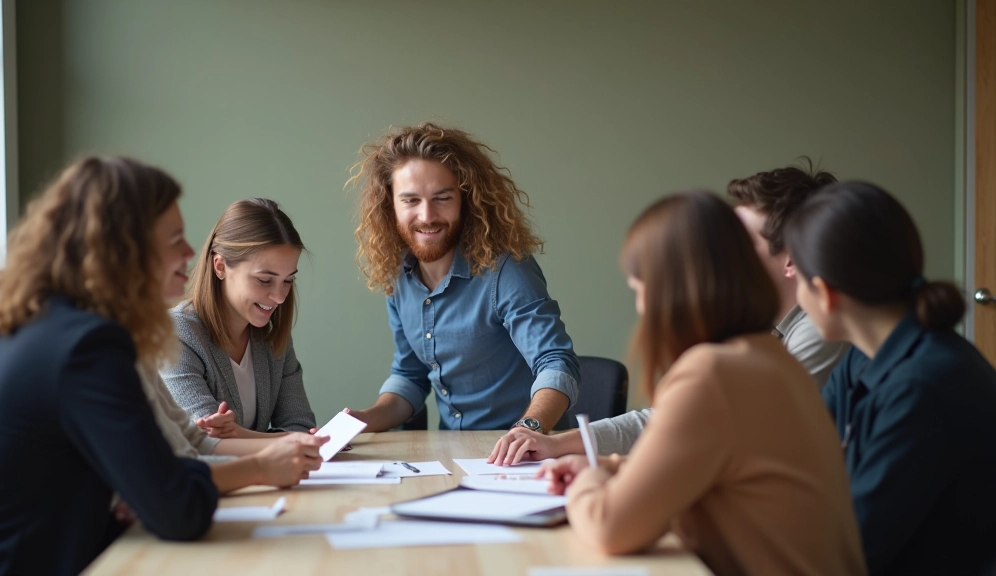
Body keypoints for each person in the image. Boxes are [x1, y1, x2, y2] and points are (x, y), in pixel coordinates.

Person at [538, 190, 866, 575]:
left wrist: (588, 482)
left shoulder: (714, 372)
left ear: (669, 291)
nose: (641, 308)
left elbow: (610, 527)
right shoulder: (769, 358)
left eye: (639, 290)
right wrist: (609, 469)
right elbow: (711, 465)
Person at [0, 158, 271, 574]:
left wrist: (150, 490)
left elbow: (156, 486)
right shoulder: (88, 347)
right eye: (175, 240)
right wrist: (172, 487)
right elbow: (179, 510)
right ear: (124, 249)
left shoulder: (41, 328)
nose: (190, 253)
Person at [490, 159, 848, 463]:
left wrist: (604, 473)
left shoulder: (820, 329)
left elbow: (720, 444)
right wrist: (560, 444)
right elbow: (675, 421)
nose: (724, 253)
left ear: (791, 257)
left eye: (740, 242)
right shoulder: (757, 334)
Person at [784, 181, 996, 576]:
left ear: (825, 293)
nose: (797, 298)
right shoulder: (860, 360)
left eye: (798, 282)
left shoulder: (923, 387)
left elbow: (848, 555)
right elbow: (802, 460)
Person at [344, 122, 579, 433]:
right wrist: (362, 420)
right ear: (390, 206)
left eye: (442, 198)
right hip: (452, 454)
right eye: (411, 200)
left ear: (466, 199)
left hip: (526, 456)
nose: (427, 216)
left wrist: (530, 427)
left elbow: (555, 361)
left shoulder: (506, 270)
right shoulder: (399, 274)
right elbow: (410, 378)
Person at [162, 198, 318, 438]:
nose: (279, 297)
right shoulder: (177, 333)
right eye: (264, 280)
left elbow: (299, 426)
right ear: (220, 266)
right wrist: (292, 441)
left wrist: (243, 436)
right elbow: (206, 440)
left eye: (288, 280)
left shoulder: (274, 338)